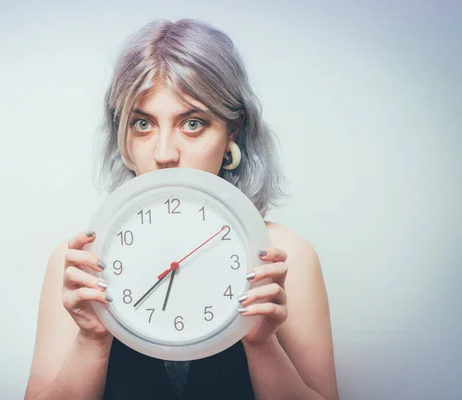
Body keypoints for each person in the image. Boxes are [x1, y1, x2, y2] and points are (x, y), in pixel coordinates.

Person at [24, 18, 338, 400]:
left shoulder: (287, 257)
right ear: (122, 136)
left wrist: (261, 344)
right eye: (143, 123)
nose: (164, 153)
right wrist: (91, 338)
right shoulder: (80, 262)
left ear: (230, 136)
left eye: (192, 123)